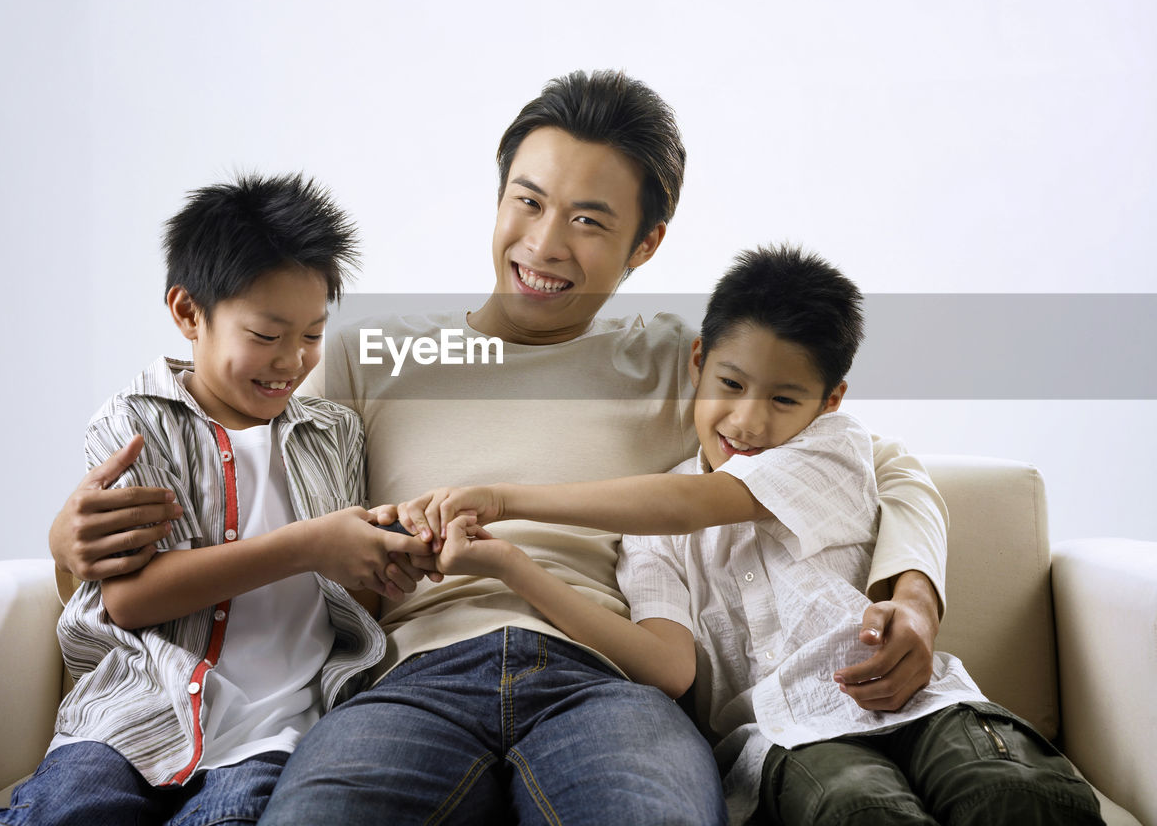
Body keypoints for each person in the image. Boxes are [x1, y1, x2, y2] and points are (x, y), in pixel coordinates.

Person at [51, 71, 950, 824]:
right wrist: (67, 548)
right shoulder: (365, 352)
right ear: (499, 197)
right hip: (410, 679)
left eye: (591, 222)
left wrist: (912, 594)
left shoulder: (683, 363)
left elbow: (875, 461)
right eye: (529, 201)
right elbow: (224, 456)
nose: (544, 244)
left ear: (648, 244)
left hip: (607, 685)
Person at [398, 244, 1103, 826]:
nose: (748, 422)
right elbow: (669, 668)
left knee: (1013, 791)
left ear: (829, 403)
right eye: (730, 385)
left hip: (928, 707)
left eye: (784, 399)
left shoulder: (831, 451)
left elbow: (695, 501)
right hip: (787, 739)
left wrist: (506, 497)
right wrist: (512, 564)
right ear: (698, 361)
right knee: (857, 809)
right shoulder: (649, 541)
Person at [0, 174, 432, 826]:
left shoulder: (334, 434)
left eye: (311, 335)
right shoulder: (136, 424)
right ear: (189, 312)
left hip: (275, 729)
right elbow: (129, 598)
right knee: (65, 812)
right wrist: (308, 545)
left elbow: (351, 598)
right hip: (131, 715)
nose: (292, 361)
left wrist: (387, 556)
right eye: (267, 335)